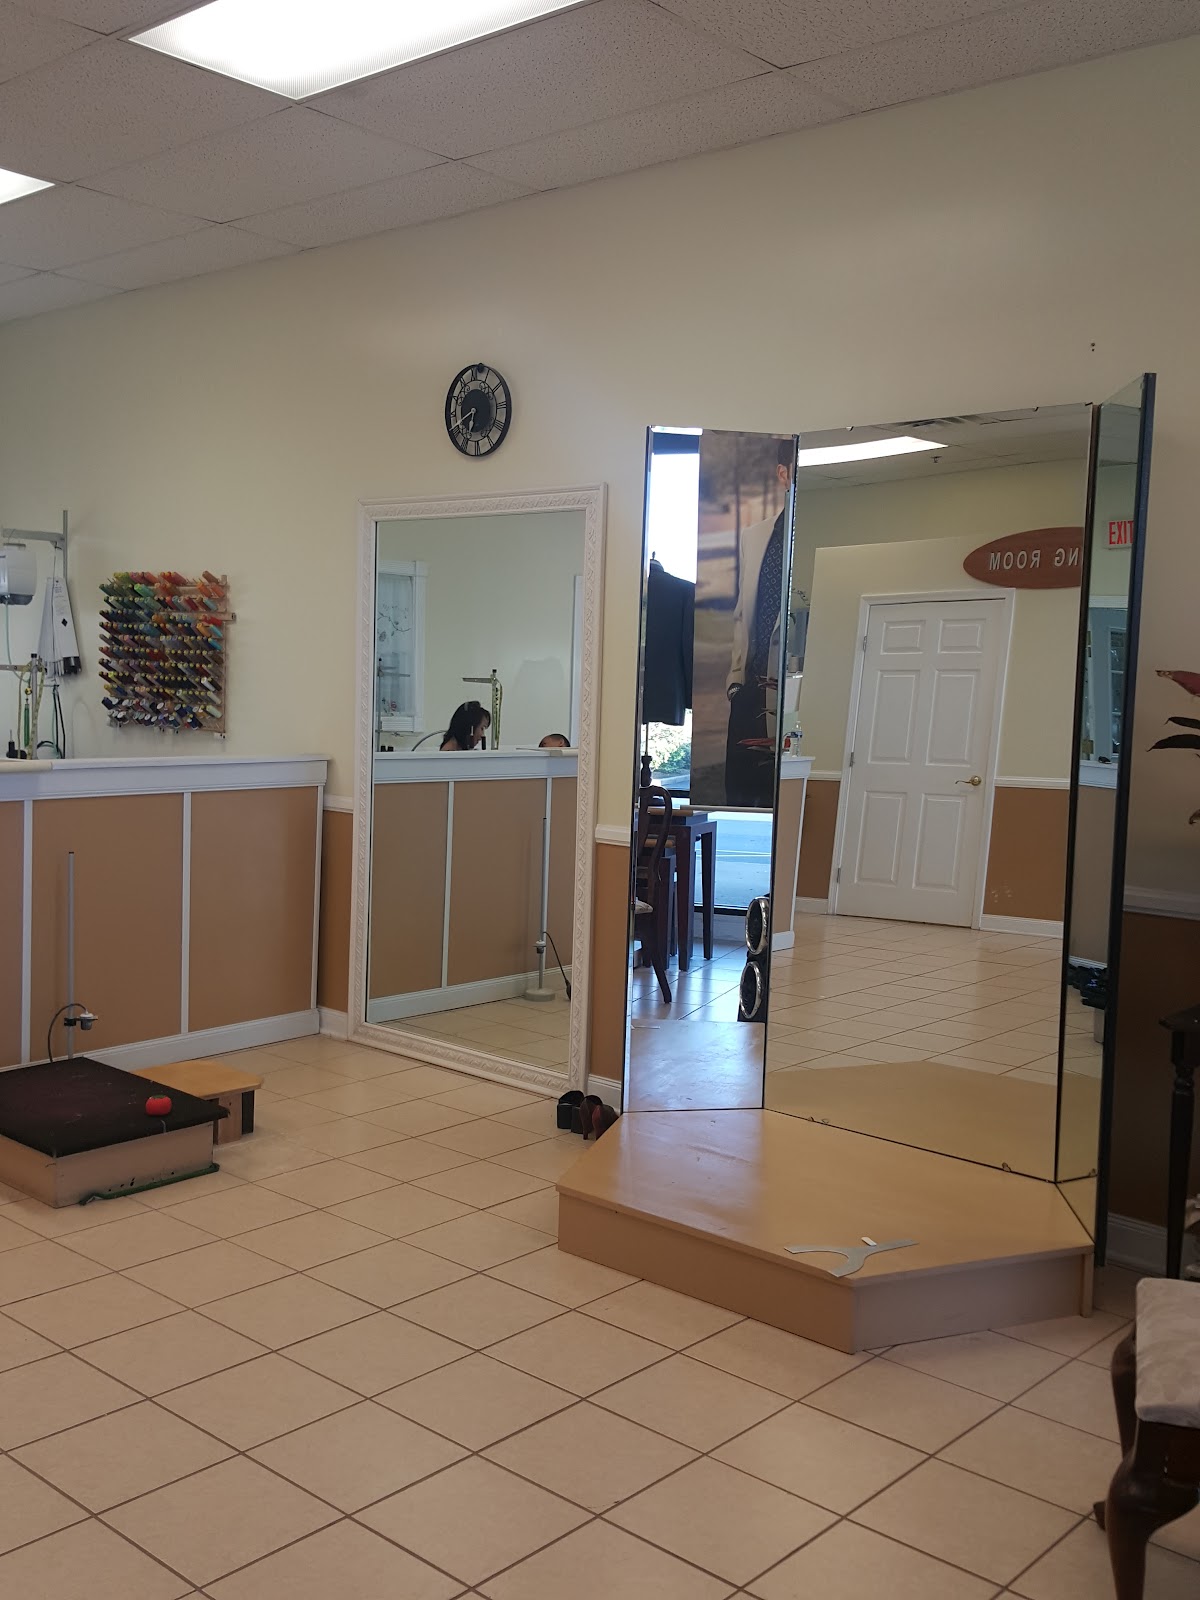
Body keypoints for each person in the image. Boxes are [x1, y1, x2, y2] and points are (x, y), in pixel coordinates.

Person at [725, 438, 794, 807]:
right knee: (740, 795)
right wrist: (735, 682)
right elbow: (742, 611)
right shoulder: (753, 537)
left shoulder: (812, 533)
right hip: (750, 688)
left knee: (784, 798)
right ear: (784, 474)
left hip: (792, 693)